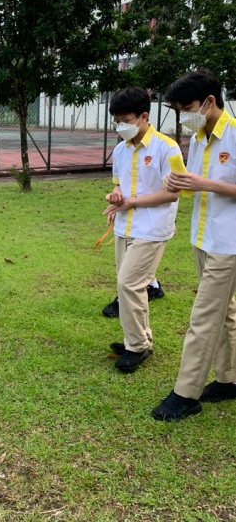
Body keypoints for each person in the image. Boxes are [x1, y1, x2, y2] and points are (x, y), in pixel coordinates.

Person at [151, 69, 236, 421]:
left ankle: (186, 393)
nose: (182, 117)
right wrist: (181, 181)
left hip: (229, 243)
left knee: (203, 317)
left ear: (210, 102)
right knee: (227, 313)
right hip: (204, 237)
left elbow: (211, 184)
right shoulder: (200, 136)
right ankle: (230, 379)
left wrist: (202, 182)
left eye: (187, 108)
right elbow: (197, 185)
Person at [103, 88, 181, 372]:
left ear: (144, 116)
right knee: (126, 286)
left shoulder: (167, 148)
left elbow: (172, 194)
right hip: (124, 227)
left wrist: (131, 201)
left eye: (125, 119)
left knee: (130, 284)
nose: (119, 126)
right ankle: (135, 339)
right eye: (116, 121)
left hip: (152, 228)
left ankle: (138, 347)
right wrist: (116, 197)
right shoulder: (120, 149)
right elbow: (117, 184)